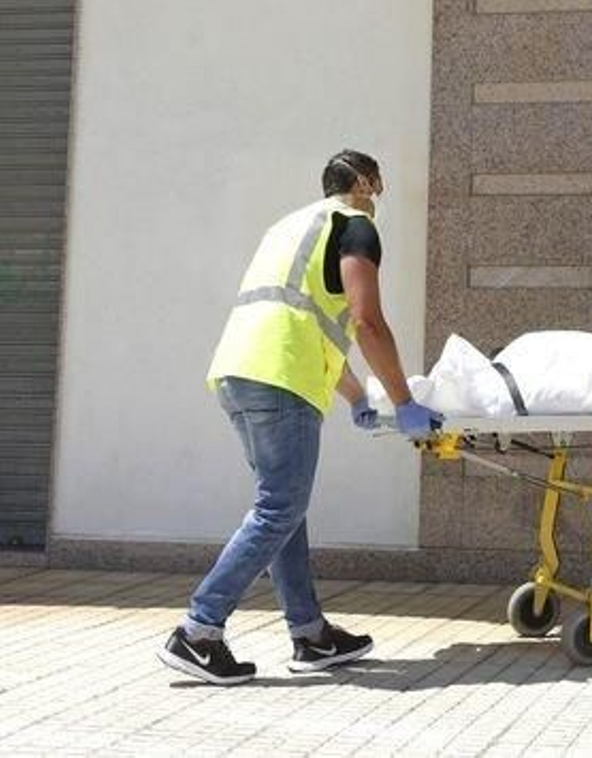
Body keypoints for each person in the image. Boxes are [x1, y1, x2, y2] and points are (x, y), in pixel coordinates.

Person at [158, 150, 442, 684]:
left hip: (241, 372)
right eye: (377, 185)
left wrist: (357, 395)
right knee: (279, 508)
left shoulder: (290, 226)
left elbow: (303, 321)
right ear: (362, 181)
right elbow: (366, 320)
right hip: (282, 380)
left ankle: (310, 635)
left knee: (284, 508)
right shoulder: (355, 226)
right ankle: (198, 631)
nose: (378, 197)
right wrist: (404, 402)